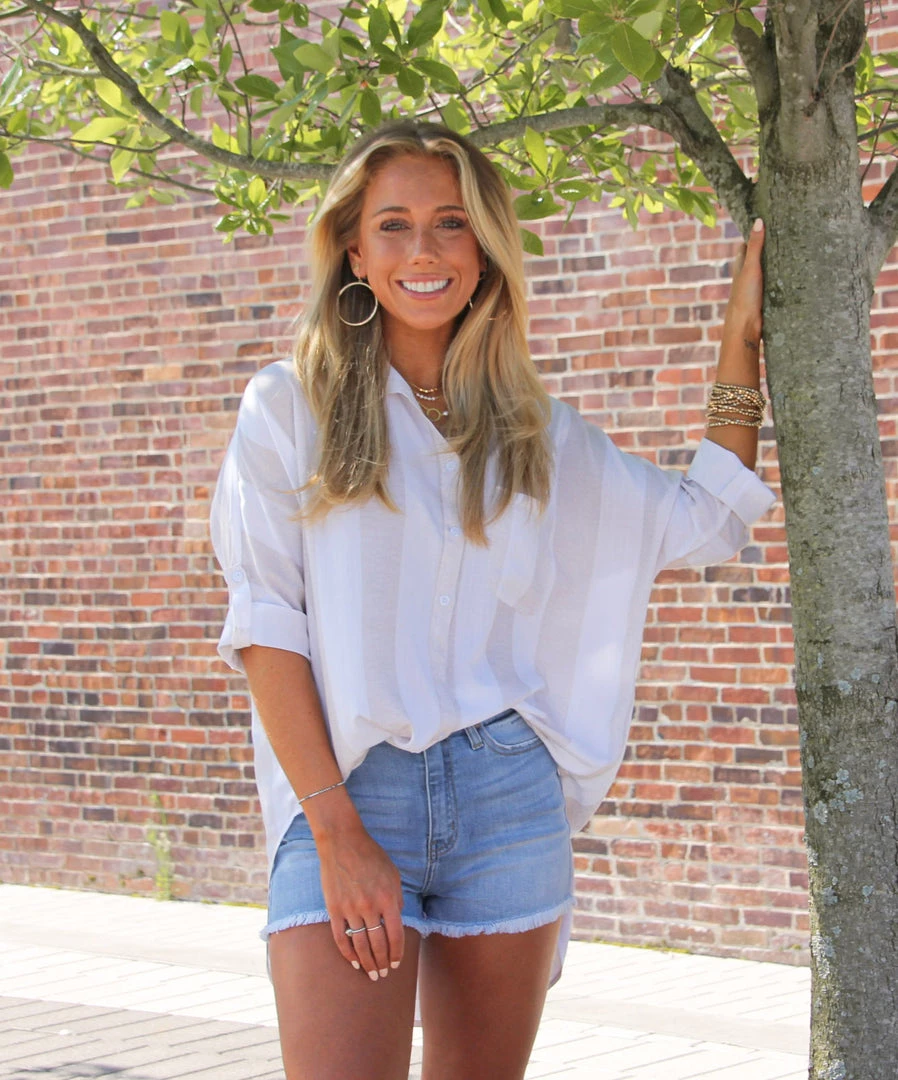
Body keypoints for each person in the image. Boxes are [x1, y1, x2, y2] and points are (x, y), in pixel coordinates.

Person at [210, 120, 774, 1080]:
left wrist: (739, 336)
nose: (423, 251)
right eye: (393, 225)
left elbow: (709, 519)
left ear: (485, 251)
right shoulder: (286, 409)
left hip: (505, 805)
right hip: (348, 792)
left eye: (450, 224)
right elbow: (268, 629)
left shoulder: (535, 437)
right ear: (353, 248)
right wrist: (337, 831)